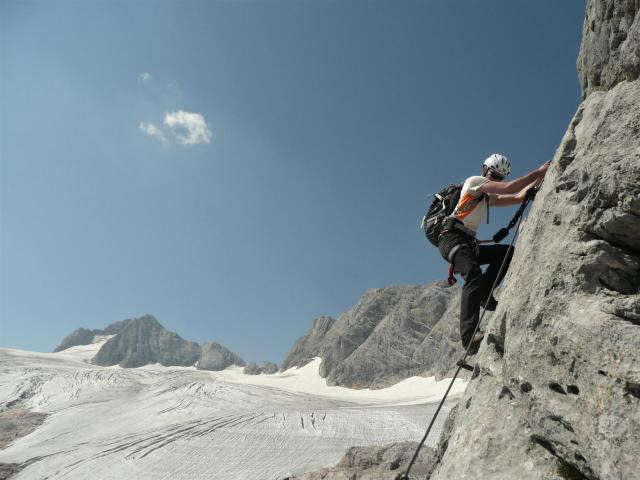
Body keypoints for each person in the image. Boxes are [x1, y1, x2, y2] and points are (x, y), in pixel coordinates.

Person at [438, 154, 550, 354]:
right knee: (473, 275)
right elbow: (511, 188)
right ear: (484, 170)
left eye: (499, 178)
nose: (494, 180)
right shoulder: (474, 183)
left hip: (467, 243)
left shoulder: (488, 197)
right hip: (452, 238)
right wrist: (539, 171)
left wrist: (541, 177)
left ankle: (484, 293)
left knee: (506, 252)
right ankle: (469, 338)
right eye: (493, 174)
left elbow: (518, 196)